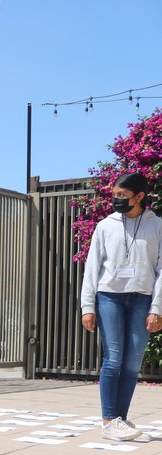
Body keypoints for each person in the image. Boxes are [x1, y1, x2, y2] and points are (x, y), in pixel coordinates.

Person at [80, 172, 162, 441]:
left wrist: (157, 308)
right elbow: (92, 267)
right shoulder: (105, 225)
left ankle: (120, 419)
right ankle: (108, 421)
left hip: (142, 298)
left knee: (132, 362)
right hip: (109, 297)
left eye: (122, 196)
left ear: (139, 196)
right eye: (114, 195)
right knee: (113, 358)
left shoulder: (156, 225)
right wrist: (87, 307)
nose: (116, 199)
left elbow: (161, 270)